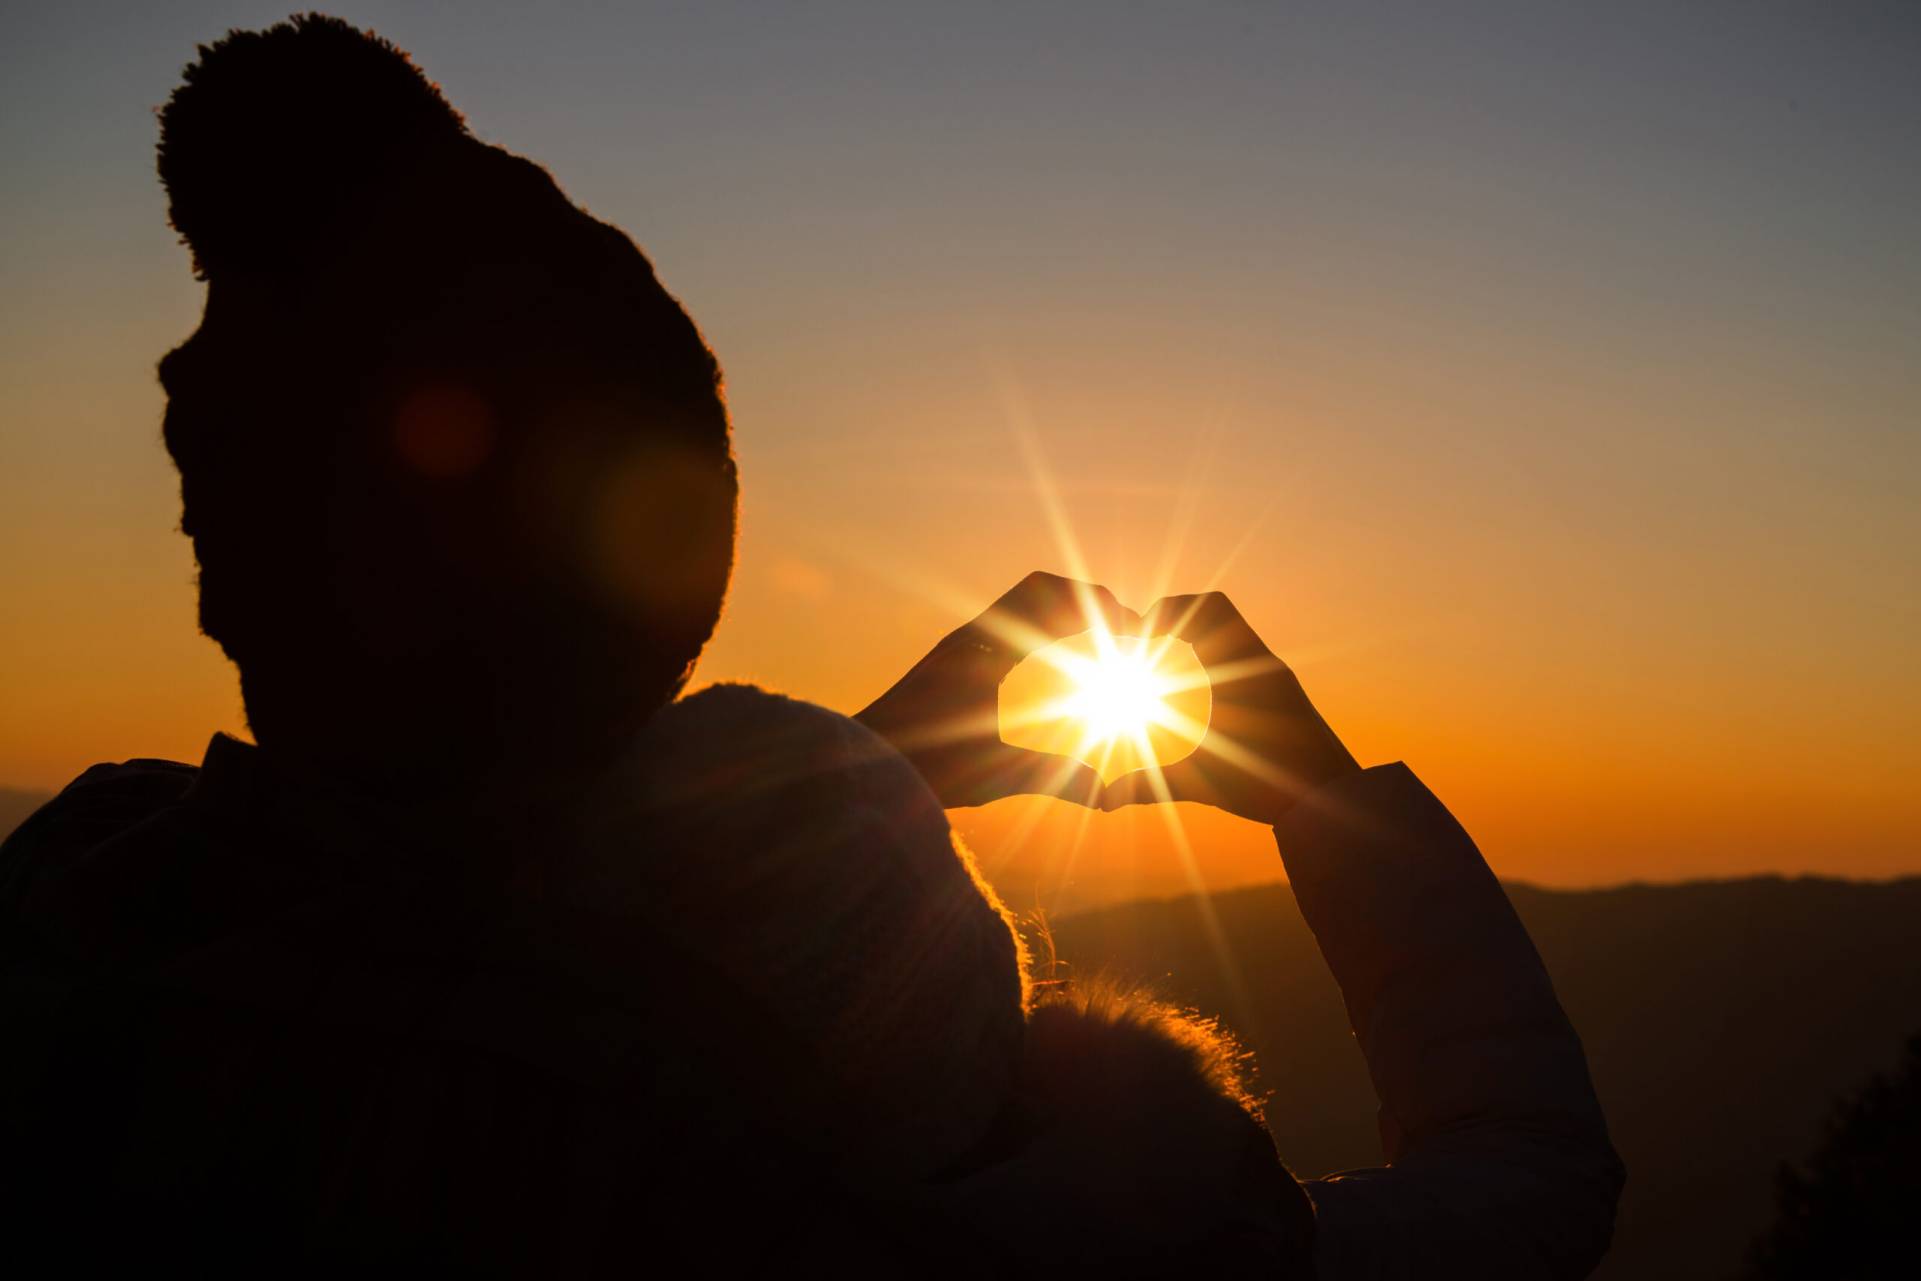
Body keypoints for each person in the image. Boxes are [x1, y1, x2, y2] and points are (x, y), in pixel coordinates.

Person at [0, 14, 1621, 1276]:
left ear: (233, 550)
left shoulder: (100, 975)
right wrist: (1328, 805)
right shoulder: (998, 1223)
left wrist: (845, 775)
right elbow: (1525, 1191)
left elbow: (488, 919)